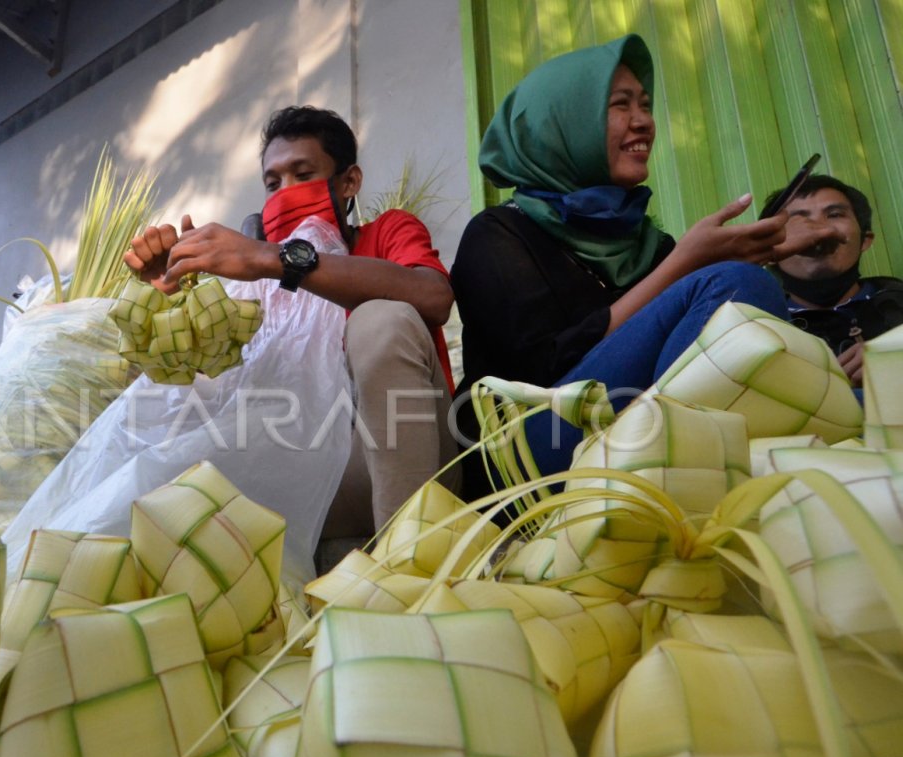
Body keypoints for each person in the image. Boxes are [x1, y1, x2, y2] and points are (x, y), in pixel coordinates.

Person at [448, 33, 836, 499]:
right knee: (734, 284)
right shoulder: (498, 234)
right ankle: (686, 480)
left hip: (629, 431)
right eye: (620, 105)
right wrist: (688, 264)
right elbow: (541, 373)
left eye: (646, 105)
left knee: (849, 388)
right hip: (529, 455)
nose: (644, 123)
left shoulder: (646, 243)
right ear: (563, 122)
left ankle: (690, 479)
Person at [123, 105, 461, 552]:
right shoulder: (251, 286)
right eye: (272, 183)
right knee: (157, 410)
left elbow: (434, 298)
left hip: (406, 461)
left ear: (348, 182)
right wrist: (172, 301)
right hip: (308, 480)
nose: (286, 193)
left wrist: (276, 260)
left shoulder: (385, 233)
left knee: (380, 319)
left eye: (303, 175)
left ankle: (413, 561)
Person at [763, 175, 903, 386]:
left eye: (835, 215)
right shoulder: (755, 328)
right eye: (797, 221)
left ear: (865, 240)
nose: (819, 230)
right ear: (769, 251)